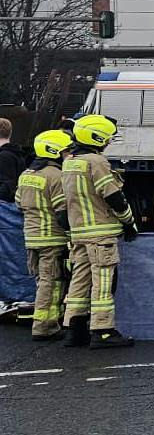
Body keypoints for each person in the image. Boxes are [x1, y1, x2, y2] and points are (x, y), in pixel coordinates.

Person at [61, 114, 138, 349]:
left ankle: (74, 330)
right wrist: (129, 222)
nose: (108, 143)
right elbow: (113, 195)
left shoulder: (70, 161)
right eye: (107, 138)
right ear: (97, 137)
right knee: (104, 280)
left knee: (79, 280)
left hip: (79, 233)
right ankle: (103, 331)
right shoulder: (97, 162)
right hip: (101, 233)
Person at [15, 129, 72, 340]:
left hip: (31, 238)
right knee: (51, 282)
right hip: (52, 239)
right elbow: (61, 212)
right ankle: (43, 327)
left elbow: (19, 203)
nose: (68, 155)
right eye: (65, 151)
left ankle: (50, 322)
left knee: (44, 281)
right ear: (54, 151)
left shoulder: (26, 175)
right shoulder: (56, 176)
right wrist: (72, 234)